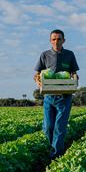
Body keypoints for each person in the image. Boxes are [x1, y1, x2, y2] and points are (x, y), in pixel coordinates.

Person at [34, 29, 79, 159]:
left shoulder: (69, 55)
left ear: (64, 40)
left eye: (59, 39)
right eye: (53, 39)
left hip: (64, 97)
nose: (56, 42)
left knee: (59, 127)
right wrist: (38, 81)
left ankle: (56, 155)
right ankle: (50, 148)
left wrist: (75, 78)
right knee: (48, 127)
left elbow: (73, 73)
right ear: (50, 41)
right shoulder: (45, 55)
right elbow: (36, 74)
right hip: (48, 96)